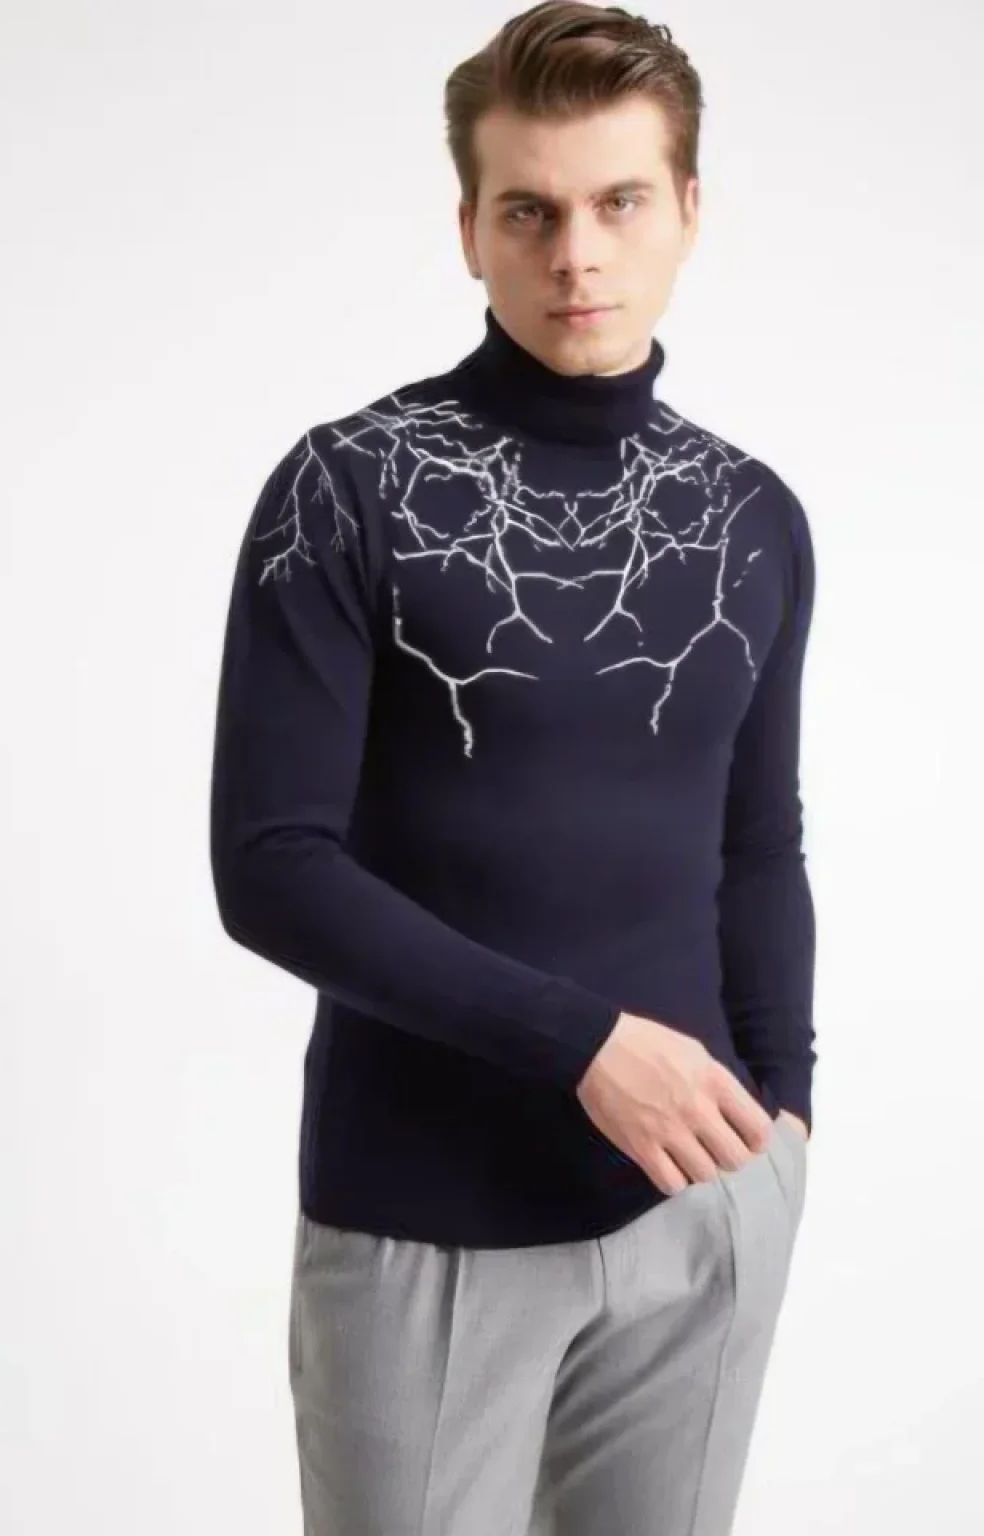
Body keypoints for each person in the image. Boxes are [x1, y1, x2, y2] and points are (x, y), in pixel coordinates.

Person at [208, 3, 817, 1531]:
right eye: (530, 212)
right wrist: (584, 1045)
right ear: (470, 229)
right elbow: (271, 867)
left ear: (690, 209)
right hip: (424, 1226)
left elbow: (757, 843)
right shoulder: (348, 489)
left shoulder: (753, 516)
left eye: (620, 202)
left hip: (702, 1209)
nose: (577, 256)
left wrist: (785, 1118)